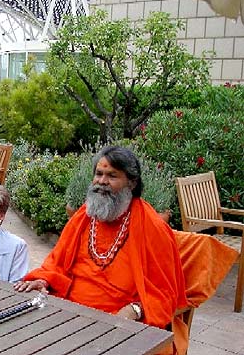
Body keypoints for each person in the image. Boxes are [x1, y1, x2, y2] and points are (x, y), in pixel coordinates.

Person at [14, 146, 187, 354]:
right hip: (69, 313)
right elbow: (55, 264)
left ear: (131, 183)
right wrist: (44, 280)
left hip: (119, 325)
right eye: (99, 174)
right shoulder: (83, 217)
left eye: (112, 176)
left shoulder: (153, 228)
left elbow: (164, 294)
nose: (102, 182)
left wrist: (135, 310)